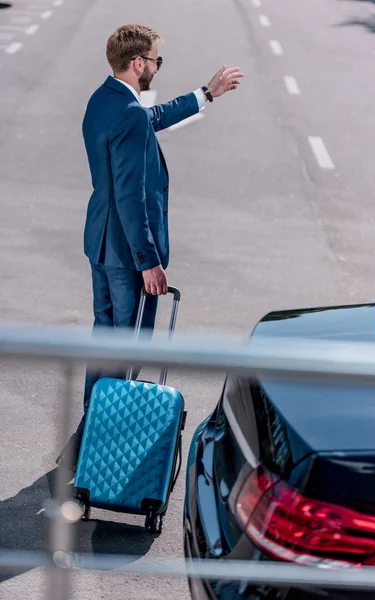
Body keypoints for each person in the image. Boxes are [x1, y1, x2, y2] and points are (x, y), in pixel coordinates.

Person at [56, 24, 244, 470]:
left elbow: (150, 120)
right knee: (129, 350)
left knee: (106, 342)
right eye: (157, 60)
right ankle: (101, 449)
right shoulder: (130, 114)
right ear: (138, 62)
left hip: (100, 245)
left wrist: (206, 94)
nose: (159, 67)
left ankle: (87, 434)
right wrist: (149, 263)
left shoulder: (103, 100)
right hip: (127, 255)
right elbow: (131, 195)